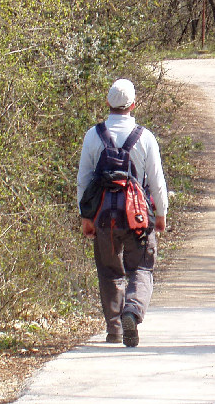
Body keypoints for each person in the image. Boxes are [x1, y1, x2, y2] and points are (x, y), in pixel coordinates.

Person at [77, 79, 168, 348]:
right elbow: (157, 179)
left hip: (104, 216)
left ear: (108, 104)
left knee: (109, 271)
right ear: (133, 105)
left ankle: (115, 329)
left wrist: (85, 216)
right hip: (138, 217)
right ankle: (133, 311)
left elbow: (83, 179)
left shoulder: (93, 136)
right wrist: (161, 213)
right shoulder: (145, 137)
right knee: (141, 267)